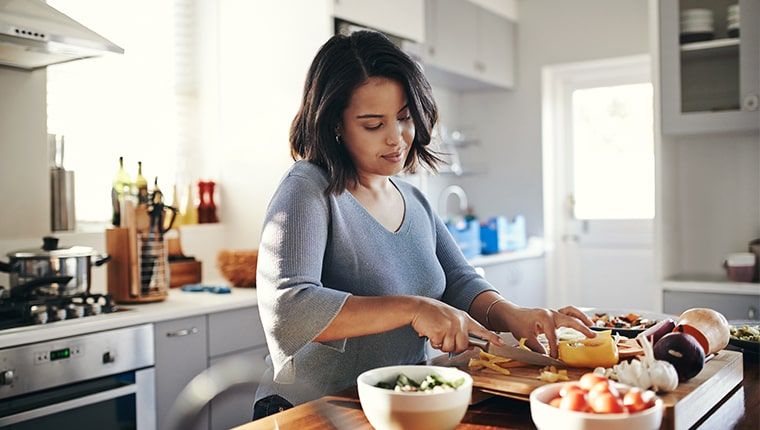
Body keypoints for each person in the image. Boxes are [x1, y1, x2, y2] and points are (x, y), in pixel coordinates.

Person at [252, 30, 595, 419]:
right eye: (372, 124)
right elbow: (288, 307)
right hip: (314, 409)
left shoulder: (412, 198)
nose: (397, 138)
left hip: (393, 405)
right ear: (334, 123)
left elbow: (459, 281)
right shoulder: (307, 188)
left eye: (404, 118)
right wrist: (413, 308)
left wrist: (511, 315)